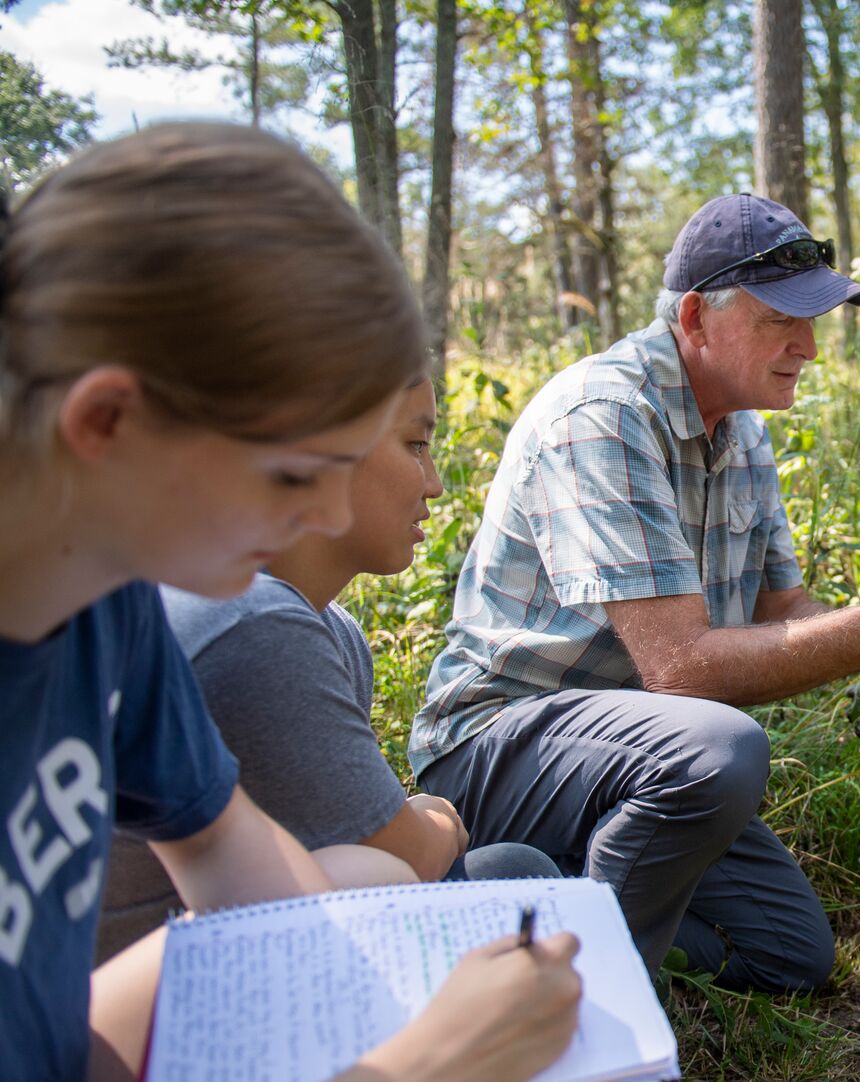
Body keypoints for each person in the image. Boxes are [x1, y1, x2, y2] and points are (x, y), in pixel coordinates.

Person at [0, 123, 580, 1081]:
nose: (326, 509)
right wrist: (427, 1063)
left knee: (362, 877)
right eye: (292, 473)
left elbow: (225, 844)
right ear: (106, 422)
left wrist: (389, 990)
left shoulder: (108, 596)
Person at [410, 192, 860, 993]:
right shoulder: (604, 416)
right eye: (783, 320)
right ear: (696, 317)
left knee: (787, 952)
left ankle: (516, 900)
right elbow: (684, 674)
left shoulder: (741, 428)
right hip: (499, 747)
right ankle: (581, 996)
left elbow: (783, 612)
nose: (809, 346)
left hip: (642, 759)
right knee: (720, 749)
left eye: (815, 321)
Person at [96, 377, 560, 963]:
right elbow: (405, 855)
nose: (437, 486)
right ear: (321, 451)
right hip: (125, 1004)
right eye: (416, 444)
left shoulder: (331, 630)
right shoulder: (254, 624)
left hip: (211, 942)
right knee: (509, 876)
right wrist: (437, 815)